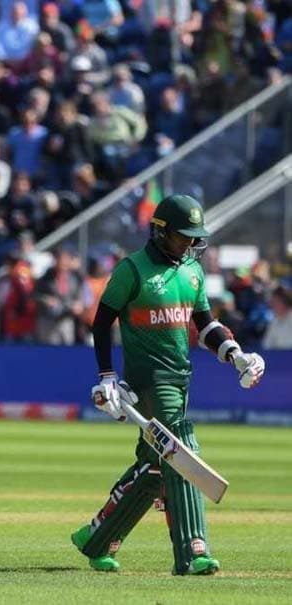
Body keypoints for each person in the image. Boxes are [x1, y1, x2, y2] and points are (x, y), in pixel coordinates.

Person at [72, 195, 266, 575]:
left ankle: (96, 537)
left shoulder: (192, 272)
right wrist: (108, 377)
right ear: (160, 232)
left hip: (181, 379)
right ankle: (193, 552)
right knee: (182, 454)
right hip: (148, 382)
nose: (190, 245)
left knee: (156, 466)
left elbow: (205, 325)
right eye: (183, 237)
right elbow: (101, 323)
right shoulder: (132, 270)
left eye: (195, 238)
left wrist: (234, 353)